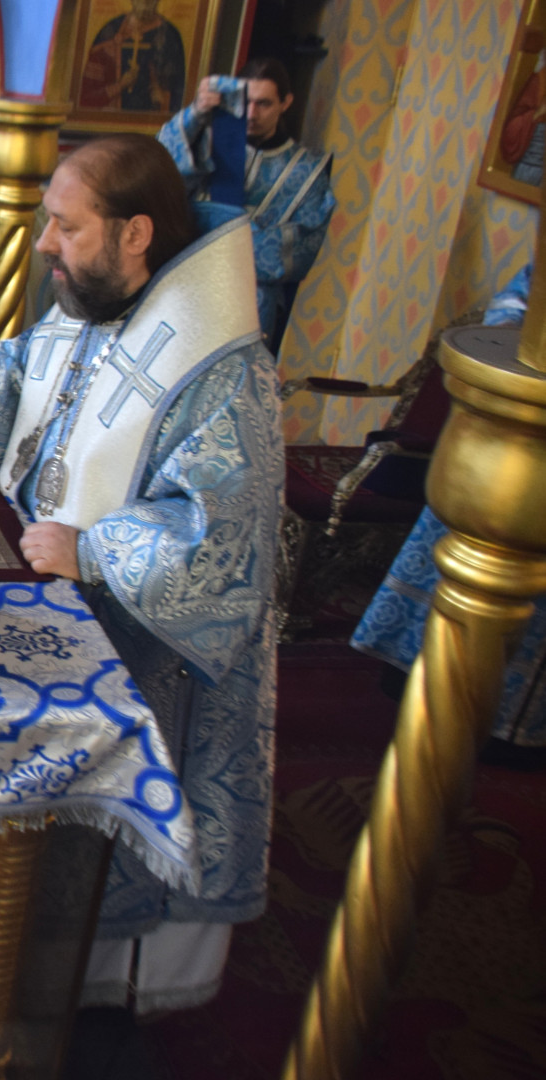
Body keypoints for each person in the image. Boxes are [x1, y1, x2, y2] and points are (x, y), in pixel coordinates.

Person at [0, 134, 282, 1013]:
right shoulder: (99, 296)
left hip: (152, 652)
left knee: (93, 928)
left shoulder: (220, 368)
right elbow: (31, 376)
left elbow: (221, 539)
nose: (45, 244)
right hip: (50, 592)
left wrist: (94, 550)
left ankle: (111, 986)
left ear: (134, 233)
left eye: (65, 225)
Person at [352, 261, 546, 759]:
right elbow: (516, 299)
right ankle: (413, 684)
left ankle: (507, 734)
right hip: (514, 423)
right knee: (458, 562)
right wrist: (521, 344)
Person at [158, 58, 335, 349]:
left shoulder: (308, 173)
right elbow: (158, 178)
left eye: (264, 104)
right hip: (183, 286)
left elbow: (296, 251)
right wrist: (195, 114)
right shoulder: (205, 145)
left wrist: (209, 229)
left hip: (248, 305)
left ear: (286, 102)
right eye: (246, 102)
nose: (251, 114)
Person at [78, 0, 188, 113]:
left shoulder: (170, 36)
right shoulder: (110, 32)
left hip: (152, 119)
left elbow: (180, 94)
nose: (144, 5)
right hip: (111, 120)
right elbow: (86, 97)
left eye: (149, 1)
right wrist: (120, 85)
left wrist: (162, 97)